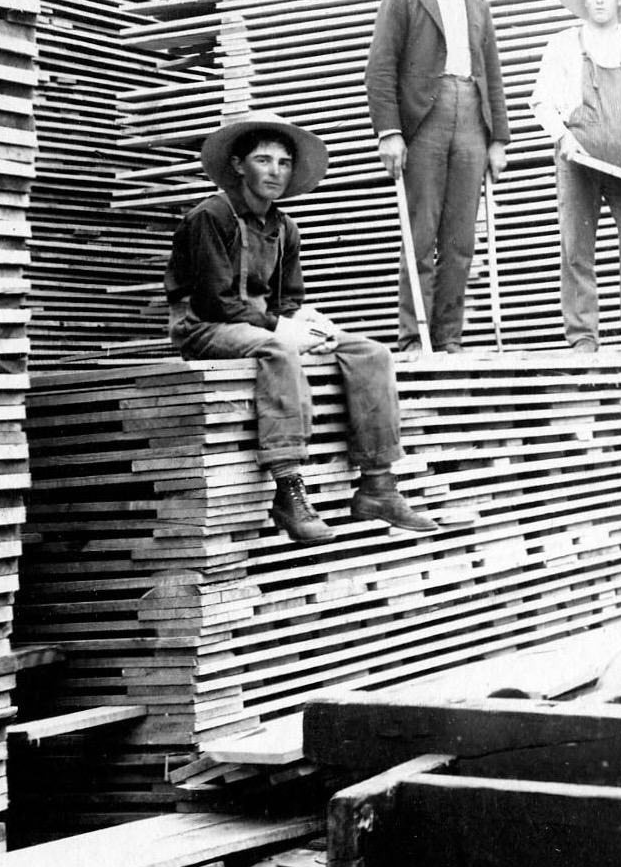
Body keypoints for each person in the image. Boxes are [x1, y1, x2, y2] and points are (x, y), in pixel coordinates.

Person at [166, 113, 438, 544]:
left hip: (262, 324)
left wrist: (309, 324)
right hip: (205, 327)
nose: (274, 171)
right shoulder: (210, 217)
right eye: (263, 160)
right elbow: (213, 300)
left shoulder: (283, 226)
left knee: (369, 351)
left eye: (284, 163)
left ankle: (378, 484)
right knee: (277, 350)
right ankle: (288, 489)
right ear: (238, 166)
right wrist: (282, 329)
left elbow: (287, 299)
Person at [365, 0, 510, 354]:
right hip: (424, 117)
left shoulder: (478, 4)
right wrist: (389, 131)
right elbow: (381, 69)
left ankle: (448, 338)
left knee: (461, 236)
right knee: (421, 230)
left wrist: (499, 139)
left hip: (470, 115)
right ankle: (414, 337)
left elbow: (492, 74)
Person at [527, 0, 621, 357]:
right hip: (578, 158)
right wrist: (562, 137)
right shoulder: (564, 45)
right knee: (576, 247)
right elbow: (541, 101)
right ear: (584, 0)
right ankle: (583, 336)